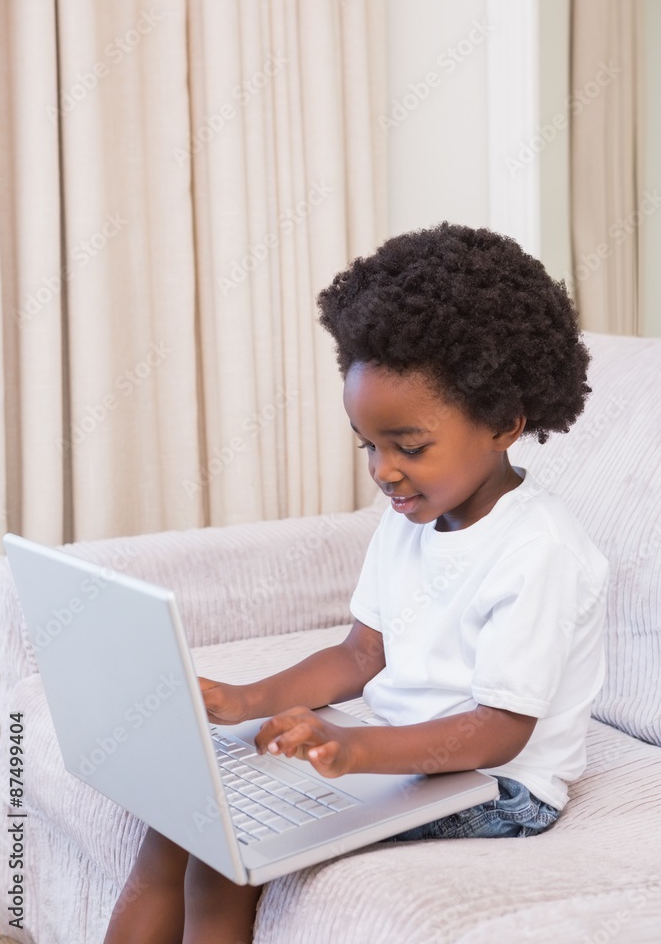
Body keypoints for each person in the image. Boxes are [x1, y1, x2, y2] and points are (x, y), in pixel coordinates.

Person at [104, 222, 609, 944]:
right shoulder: (412, 516)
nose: (383, 470)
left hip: (499, 786)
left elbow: (500, 732)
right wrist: (244, 699)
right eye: (368, 444)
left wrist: (357, 753)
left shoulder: (541, 550)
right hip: (398, 750)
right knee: (174, 813)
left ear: (503, 423)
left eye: (410, 446)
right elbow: (360, 655)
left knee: (223, 853)